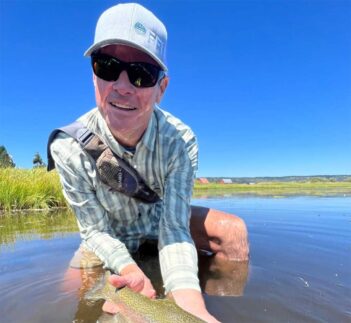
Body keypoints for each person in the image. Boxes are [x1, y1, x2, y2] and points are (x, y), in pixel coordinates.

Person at [48, 3, 249, 322]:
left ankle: (220, 295)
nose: (123, 86)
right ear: (93, 76)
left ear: (161, 89)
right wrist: (127, 268)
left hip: (161, 224)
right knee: (71, 291)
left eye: (142, 74)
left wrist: (190, 309)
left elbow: (174, 227)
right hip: (111, 234)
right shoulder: (68, 147)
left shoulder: (181, 141)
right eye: (108, 66)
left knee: (233, 232)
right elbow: (94, 230)